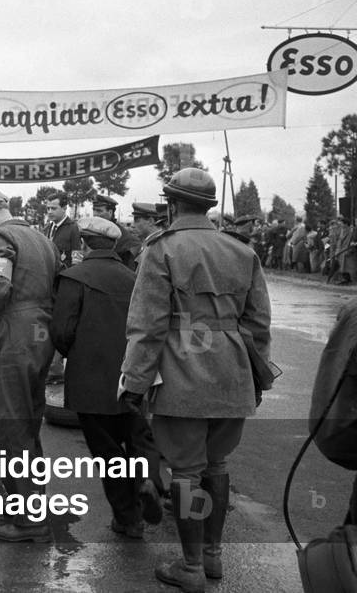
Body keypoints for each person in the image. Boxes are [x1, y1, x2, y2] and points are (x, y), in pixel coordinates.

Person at [119, 168, 271, 592]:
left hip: (180, 375)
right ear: (209, 206)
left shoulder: (160, 249)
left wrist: (133, 381)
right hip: (232, 375)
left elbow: (146, 326)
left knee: (185, 472)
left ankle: (190, 568)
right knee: (217, 465)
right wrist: (256, 377)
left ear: (171, 204)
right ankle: (212, 557)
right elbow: (259, 325)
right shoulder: (241, 251)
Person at [50, 217, 163, 540]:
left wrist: (73, 353)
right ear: (114, 245)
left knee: (108, 452)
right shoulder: (133, 278)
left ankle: (129, 519)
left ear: (84, 243)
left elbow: (61, 331)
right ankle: (150, 479)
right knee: (139, 435)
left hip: (91, 379)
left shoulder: (73, 277)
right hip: (134, 374)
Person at [0, 188, 61, 543]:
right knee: (29, 424)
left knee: (10, 426)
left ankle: (27, 520)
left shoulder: (2, 237)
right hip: (42, 332)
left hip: (14, 333)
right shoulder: (42, 238)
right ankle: (34, 507)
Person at [92, 194, 141, 269]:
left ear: (110, 212)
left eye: (99, 211)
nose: (95, 214)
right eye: (94, 210)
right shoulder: (91, 232)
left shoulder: (123, 235)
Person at [44, 191, 80, 269]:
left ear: (64, 208)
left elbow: (77, 261)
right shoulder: (47, 228)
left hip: (64, 275)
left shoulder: (73, 228)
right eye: (48, 208)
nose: (49, 212)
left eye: (53, 208)